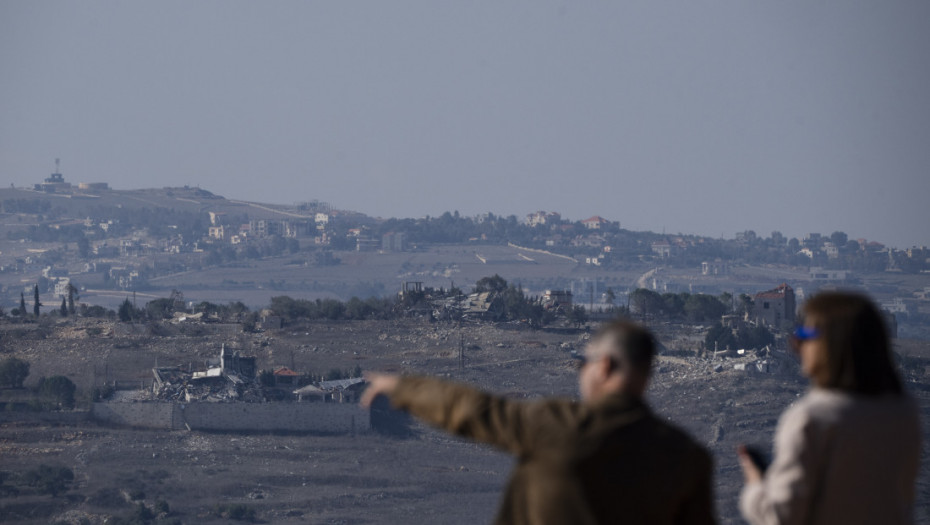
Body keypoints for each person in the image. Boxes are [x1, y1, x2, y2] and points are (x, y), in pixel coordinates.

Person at [361, 319, 716, 525]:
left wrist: (403, 387)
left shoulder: (558, 427)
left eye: (583, 363)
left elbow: (473, 410)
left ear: (605, 366)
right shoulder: (687, 458)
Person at [737, 292, 921, 524]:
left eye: (806, 334)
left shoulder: (812, 418)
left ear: (834, 343)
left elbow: (781, 516)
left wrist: (755, 486)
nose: (795, 343)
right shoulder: (904, 412)